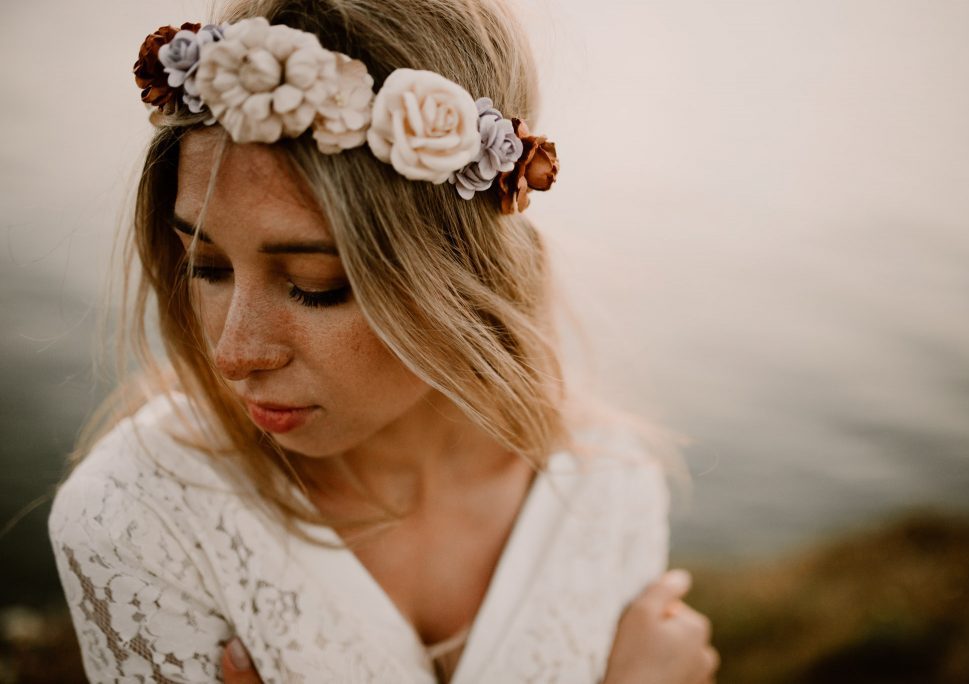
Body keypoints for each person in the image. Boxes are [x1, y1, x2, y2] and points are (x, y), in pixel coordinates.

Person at [48, 0, 718, 682]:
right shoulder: (138, 518)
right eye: (207, 267)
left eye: (317, 284)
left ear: (460, 271)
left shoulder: (611, 489)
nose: (234, 353)